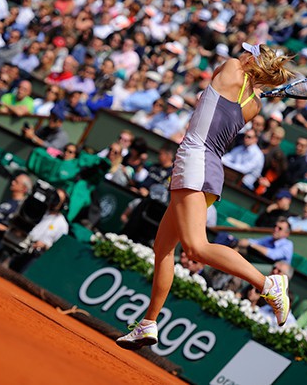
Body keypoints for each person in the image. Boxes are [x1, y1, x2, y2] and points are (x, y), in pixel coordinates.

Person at [116, 43, 294, 350]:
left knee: (196, 248)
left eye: (246, 52)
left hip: (196, 160)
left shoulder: (230, 69)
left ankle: (268, 284)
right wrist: (257, 85)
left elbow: (216, 84)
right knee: (163, 248)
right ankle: (148, 323)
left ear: (252, 59)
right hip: (208, 168)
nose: (240, 54)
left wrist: (252, 79)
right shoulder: (254, 105)